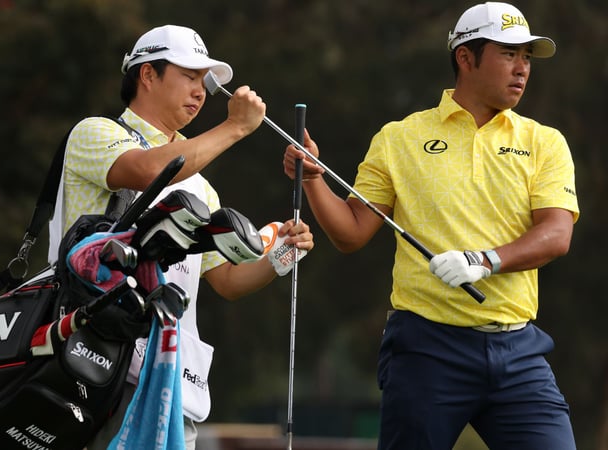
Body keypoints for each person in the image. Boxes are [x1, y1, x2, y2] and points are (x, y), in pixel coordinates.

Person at [283, 2, 578, 449]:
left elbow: (556, 235)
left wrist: (485, 261)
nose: (521, 69)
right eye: (508, 54)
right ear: (465, 57)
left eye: (527, 58)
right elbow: (352, 232)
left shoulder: (544, 142)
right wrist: (314, 180)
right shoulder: (400, 138)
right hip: (427, 349)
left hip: (518, 351)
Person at [49, 24, 314, 449]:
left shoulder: (200, 185)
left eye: (203, 82)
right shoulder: (95, 133)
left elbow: (226, 280)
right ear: (147, 75)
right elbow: (148, 170)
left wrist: (284, 255)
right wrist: (235, 128)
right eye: (189, 76)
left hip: (167, 379)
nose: (200, 91)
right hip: (93, 365)